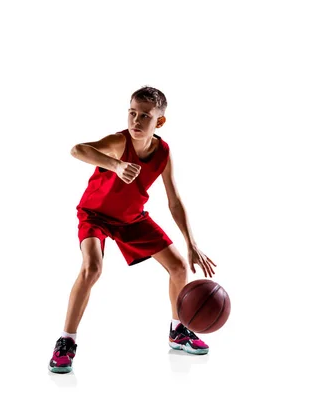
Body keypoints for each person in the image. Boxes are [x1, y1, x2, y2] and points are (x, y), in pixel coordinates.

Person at [49, 86, 217, 374]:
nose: (136, 122)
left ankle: (178, 331)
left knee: (178, 267)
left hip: (131, 219)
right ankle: (66, 342)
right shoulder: (118, 142)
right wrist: (115, 165)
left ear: (159, 122)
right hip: (95, 215)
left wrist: (191, 243)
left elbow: (174, 201)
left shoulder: (163, 151)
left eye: (145, 116)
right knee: (92, 268)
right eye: (132, 114)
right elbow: (78, 149)